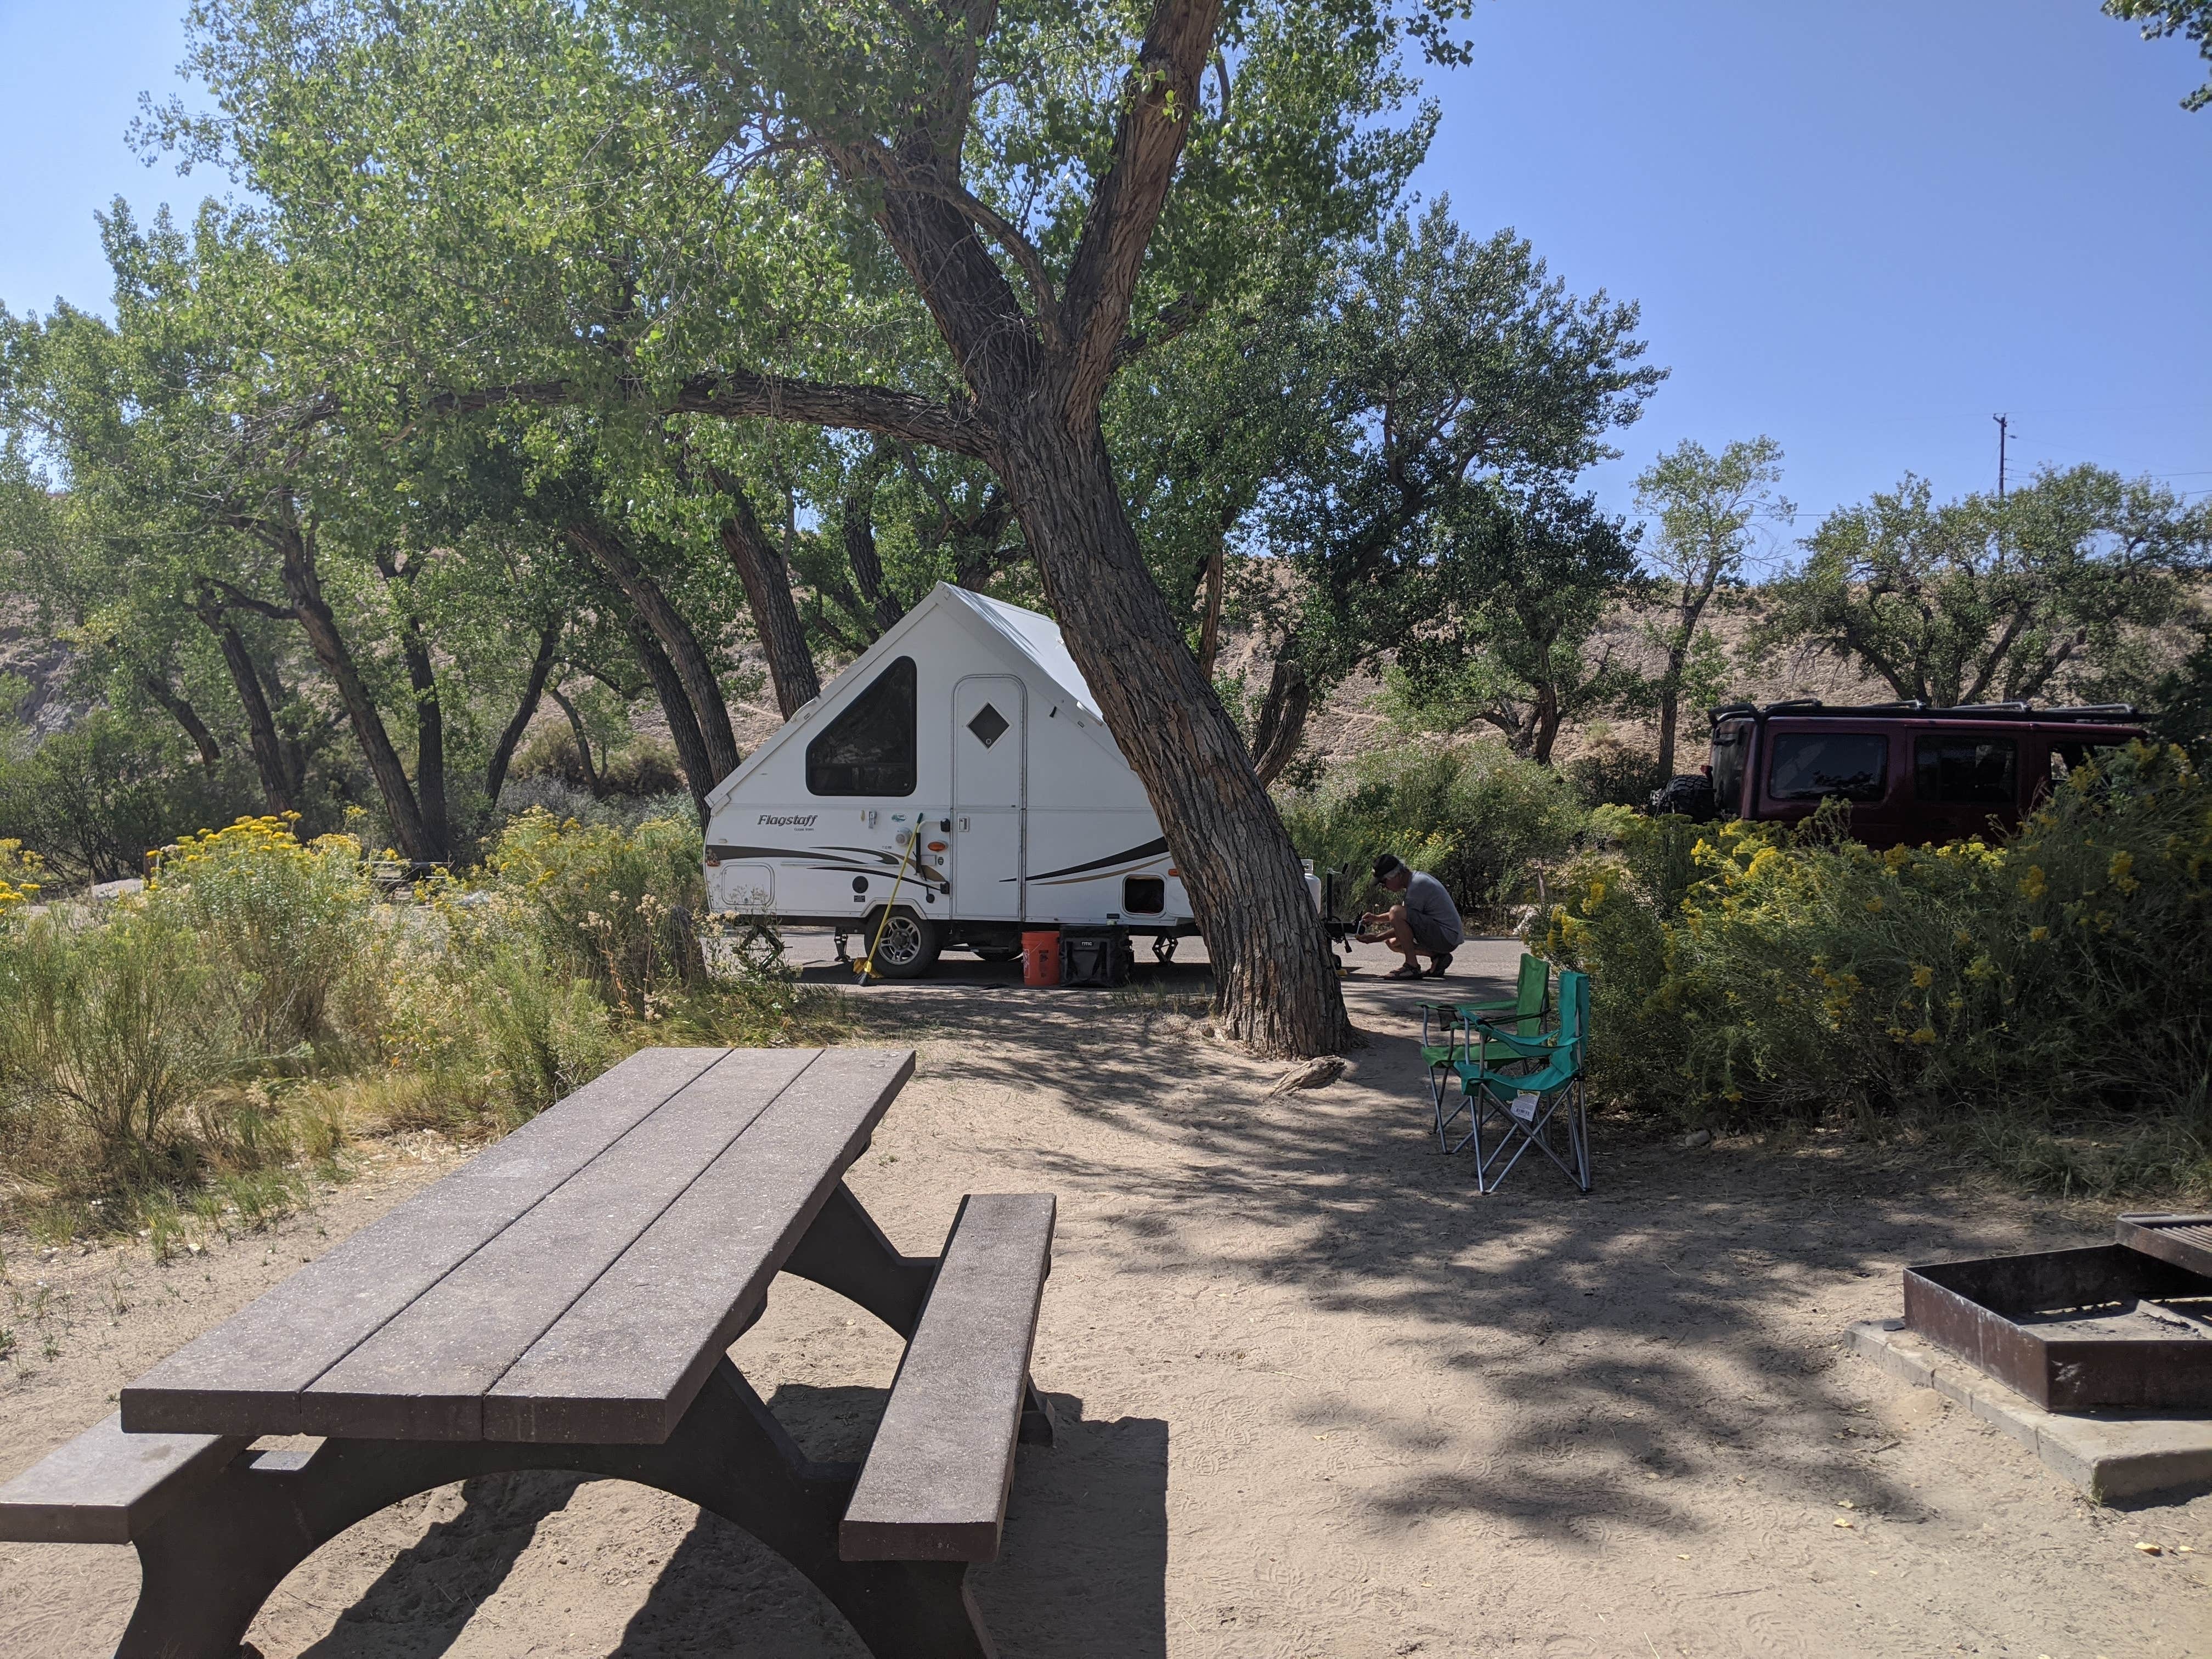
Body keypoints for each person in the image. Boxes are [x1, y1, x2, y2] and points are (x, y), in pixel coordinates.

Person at [1360, 854, 1462, 980]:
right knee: (1393, 943)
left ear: (1396, 875)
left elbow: (1400, 917)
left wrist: (1377, 938)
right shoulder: (1415, 880)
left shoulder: (1418, 885)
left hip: (1446, 936)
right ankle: (1438, 957)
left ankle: (1412, 967)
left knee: (1396, 911)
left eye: (1384, 882)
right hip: (1445, 936)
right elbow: (1405, 917)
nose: (1384, 888)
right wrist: (1376, 918)